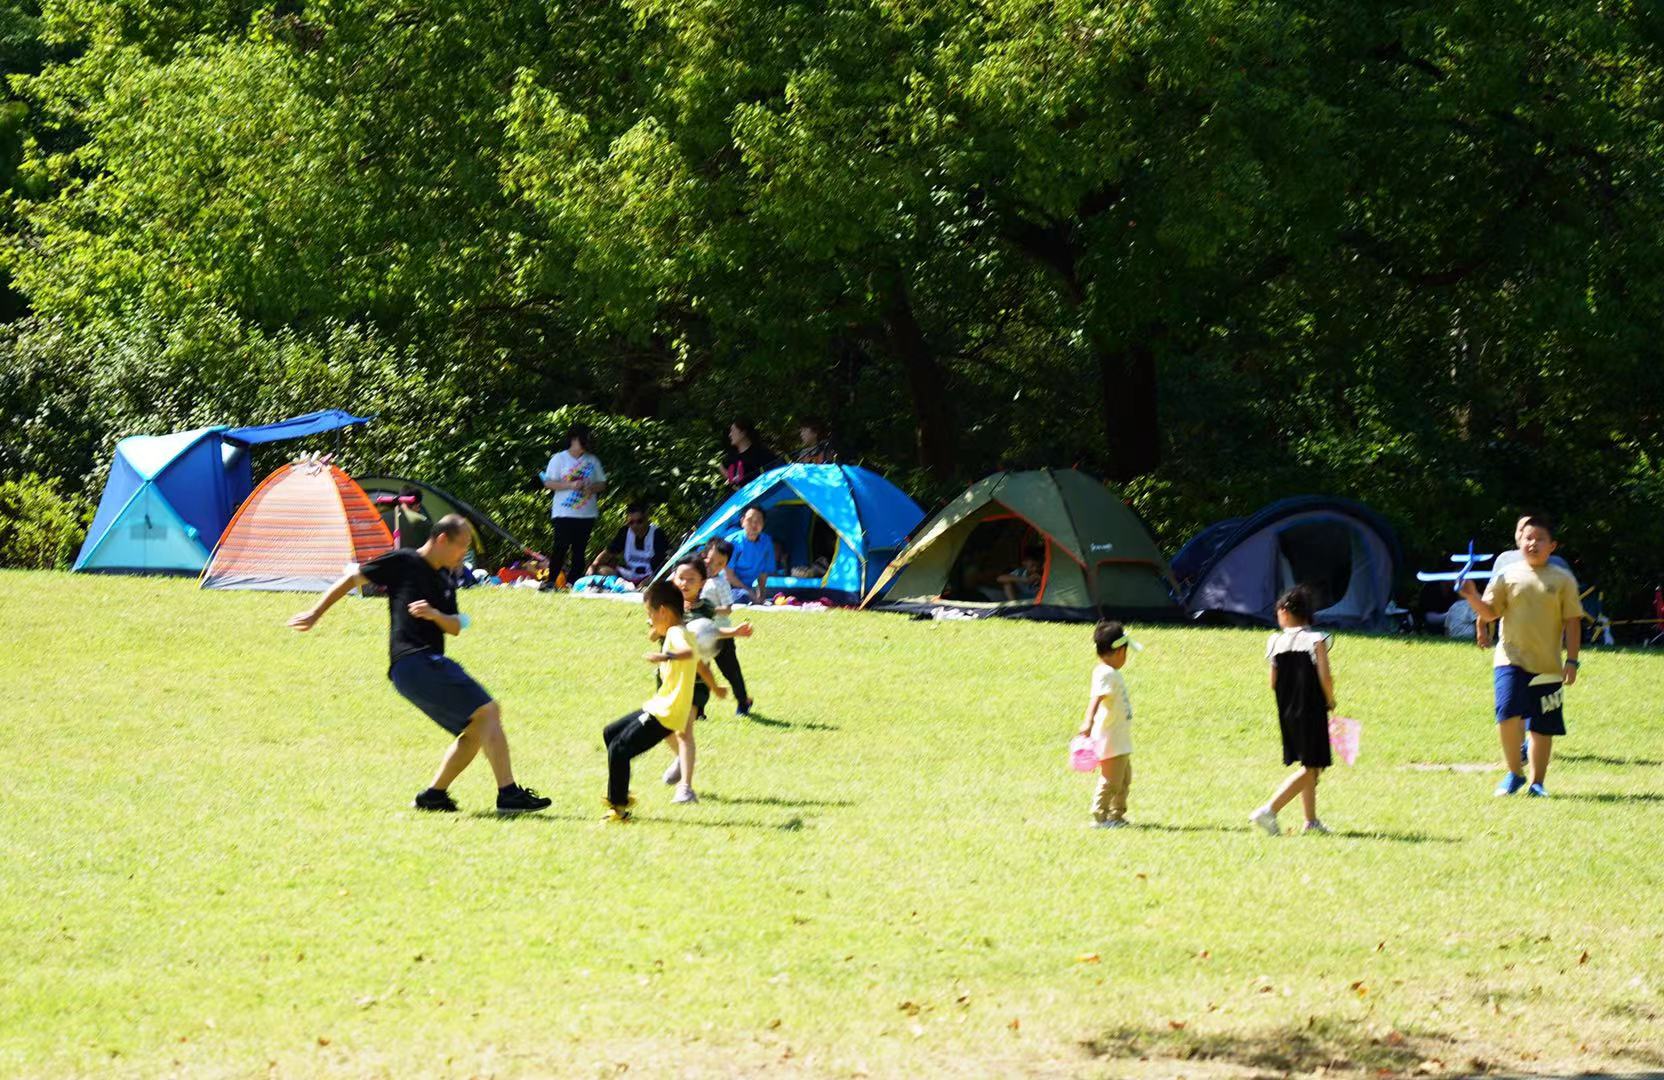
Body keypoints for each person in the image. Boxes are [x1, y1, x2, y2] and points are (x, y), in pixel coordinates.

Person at [287, 514, 551, 814]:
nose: (464, 554)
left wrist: (434, 614)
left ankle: (434, 796)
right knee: (488, 711)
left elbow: (456, 625)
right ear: (442, 539)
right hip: (414, 660)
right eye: (462, 546)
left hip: (426, 664)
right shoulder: (404, 561)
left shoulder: (446, 577)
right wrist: (315, 613)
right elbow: (353, 578)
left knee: (479, 726)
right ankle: (508, 794)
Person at [1459, 515, 1584, 798]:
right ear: (1520, 542)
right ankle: (1514, 773)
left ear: (1552, 545)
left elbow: (1573, 622)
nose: (1533, 543)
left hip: (1548, 664)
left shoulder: (1563, 579)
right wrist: (1472, 597)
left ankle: (1537, 783)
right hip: (1510, 658)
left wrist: (1572, 661)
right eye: (1528, 538)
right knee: (1506, 714)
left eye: (1540, 539)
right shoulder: (1506, 575)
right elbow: (1490, 613)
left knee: (1542, 726)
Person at [601, 581, 699, 823]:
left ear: (663, 611)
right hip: (660, 706)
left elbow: (688, 653)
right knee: (610, 733)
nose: (649, 620)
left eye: (650, 614)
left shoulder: (676, 634)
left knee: (619, 748)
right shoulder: (680, 630)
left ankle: (618, 808)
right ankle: (620, 793)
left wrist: (665, 656)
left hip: (666, 713)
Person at [1249, 586, 1336, 836]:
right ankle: (1269, 810)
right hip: (1312, 708)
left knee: (1310, 764)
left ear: (1285, 612)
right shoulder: (1317, 639)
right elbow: (1325, 676)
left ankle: (1311, 821)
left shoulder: (1275, 641)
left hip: (1287, 710)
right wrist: (1331, 700)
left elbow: (1273, 682)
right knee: (1313, 767)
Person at [1074, 620, 1136, 828]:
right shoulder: (1106, 673)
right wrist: (1088, 721)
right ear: (1119, 652)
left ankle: (1116, 815)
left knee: (1124, 778)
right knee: (1111, 780)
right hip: (1111, 739)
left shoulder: (1110, 673)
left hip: (1120, 737)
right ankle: (1100, 814)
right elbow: (1097, 698)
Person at [540, 424, 607, 588]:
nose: (585, 446)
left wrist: (591, 488)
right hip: (563, 513)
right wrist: (570, 485)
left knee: (579, 550)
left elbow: (602, 484)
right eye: (583, 441)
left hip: (586, 514)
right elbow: (548, 482)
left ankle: (573, 583)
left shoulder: (592, 460)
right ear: (574, 439)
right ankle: (551, 581)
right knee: (560, 547)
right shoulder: (558, 459)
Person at [702, 539, 756, 715]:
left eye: (720, 564)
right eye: (711, 560)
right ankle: (698, 709)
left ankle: (743, 701)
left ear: (726, 565)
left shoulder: (721, 583)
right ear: (704, 555)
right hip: (700, 634)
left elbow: (727, 609)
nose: (714, 566)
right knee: (700, 672)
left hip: (721, 635)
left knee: (731, 671)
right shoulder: (696, 578)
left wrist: (707, 610)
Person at [588, 502, 669, 584]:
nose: (635, 526)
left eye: (639, 521)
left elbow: (664, 564)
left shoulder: (657, 534)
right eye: (631, 522)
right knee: (602, 570)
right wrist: (593, 565)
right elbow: (608, 552)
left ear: (647, 519)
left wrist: (651, 579)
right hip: (629, 575)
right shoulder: (625, 532)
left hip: (650, 577)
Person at [723, 504, 780, 604]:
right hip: (725, 587)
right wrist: (750, 593)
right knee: (742, 597)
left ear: (763, 524)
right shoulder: (732, 542)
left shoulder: (766, 542)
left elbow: (763, 572)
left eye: (758, 520)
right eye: (750, 520)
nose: (754, 524)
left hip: (746, 589)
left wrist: (761, 596)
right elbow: (728, 575)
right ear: (742, 522)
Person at [722, 419, 779, 488]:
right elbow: (723, 468)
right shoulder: (732, 457)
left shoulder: (761, 452)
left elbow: (776, 469)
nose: (730, 435)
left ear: (743, 433)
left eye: (732, 431)